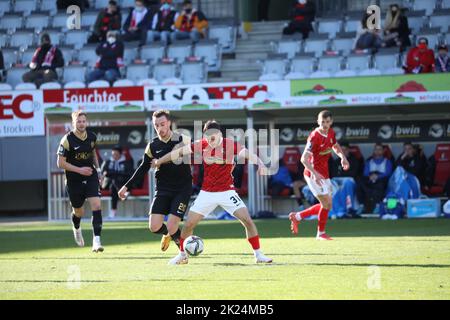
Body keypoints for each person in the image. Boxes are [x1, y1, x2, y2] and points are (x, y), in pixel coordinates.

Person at [153, 120, 273, 265]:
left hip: (227, 192)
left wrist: (260, 163)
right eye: (208, 135)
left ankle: (258, 255)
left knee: (247, 220)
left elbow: (247, 154)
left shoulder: (230, 144)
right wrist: (159, 161)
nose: (210, 138)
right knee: (189, 224)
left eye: (213, 135)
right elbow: (177, 153)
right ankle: (182, 255)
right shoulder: (201, 144)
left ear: (220, 134)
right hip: (207, 193)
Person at [118, 110, 193, 252]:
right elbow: (143, 168)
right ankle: (167, 234)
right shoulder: (152, 146)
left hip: (182, 189)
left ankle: (183, 252)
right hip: (163, 189)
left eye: (162, 124)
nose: (159, 128)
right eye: (156, 125)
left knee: (172, 225)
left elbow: (185, 153)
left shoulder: (183, 139)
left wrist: (160, 161)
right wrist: (126, 186)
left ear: (169, 123)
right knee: (154, 227)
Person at [288, 110, 349, 240]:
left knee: (328, 205)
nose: (325, 125)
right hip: (312, 174)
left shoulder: (331, 133)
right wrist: (315, 173)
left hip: (324, 174)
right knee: (326, 203)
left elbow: (335, 145)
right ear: (318, 122)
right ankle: (320, 233)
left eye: (327, 122)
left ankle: (297, 216)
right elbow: (303, 159)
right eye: (322, 122)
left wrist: (342, 157)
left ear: (331, 122)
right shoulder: (314, 137)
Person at [56, 111, 104, 253]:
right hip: (74, 180)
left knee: (96, 204)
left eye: (83, 121)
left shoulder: (92, 137)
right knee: (79, 211)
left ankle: (96, 241)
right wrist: (79, 170)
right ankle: (76, 227)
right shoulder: (67, 140)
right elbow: (60, 163)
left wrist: (98, 170)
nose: (81, 124)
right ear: (73, 123)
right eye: (79, 121)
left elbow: (93, 153)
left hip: (90, 175)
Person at [100, 146, 133, 219]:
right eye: (113, 154)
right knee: (113, 182)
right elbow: (103, 173)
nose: (114, 156)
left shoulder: (126, 162)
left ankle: (112, 212)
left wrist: (116, 173)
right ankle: (123, 193)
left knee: (114, 186)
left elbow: (129, 174)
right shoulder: (107, 162)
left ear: (120, 154)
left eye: (116, 154)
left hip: (122, 183)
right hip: (108, 184)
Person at [361, 143, 393, 213]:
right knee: (360, 184)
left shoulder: (387, 161)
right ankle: (363, 205)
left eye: (380, 149)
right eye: (376, 149)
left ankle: (378, 205)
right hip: (370, 179)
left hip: (382, 180)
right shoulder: (369, 161)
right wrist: (371, 177)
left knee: (380, 185)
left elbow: (388, 173)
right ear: (374, 151)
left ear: (383, 151)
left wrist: (378, 176)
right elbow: (365, 173)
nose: (378, 151)